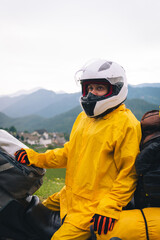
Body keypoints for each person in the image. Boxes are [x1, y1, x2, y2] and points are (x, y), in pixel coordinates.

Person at [15, 59, 141, 240]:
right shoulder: (84, 118)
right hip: (70, 194)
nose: (92, 93)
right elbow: (68, 153)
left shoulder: (127, 124)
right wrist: (35, 157)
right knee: (29, 212)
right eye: (89, 88)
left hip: (94, 205)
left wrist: (109, 207)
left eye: (99, 88)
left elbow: (129, 173)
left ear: (116, 89)